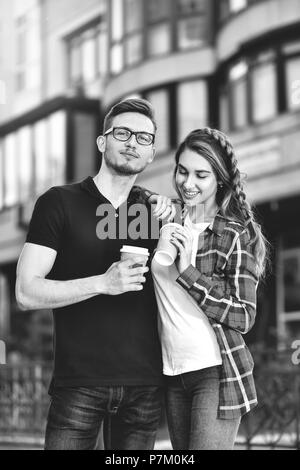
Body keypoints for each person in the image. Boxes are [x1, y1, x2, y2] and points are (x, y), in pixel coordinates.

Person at [15, 98, 174, 450]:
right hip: (78, 385)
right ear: (103, 142)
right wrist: (103, 283)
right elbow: (26, 292)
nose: (133, 142)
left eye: (144, 138)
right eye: (123, 133)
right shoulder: (59, 202)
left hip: (143, 386)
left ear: (151, 155)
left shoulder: (154, 211)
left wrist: (173, 215)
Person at [151, 127, 268, 450]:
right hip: (172, 371)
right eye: (182, 171)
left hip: (215, 372)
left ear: (219, 179)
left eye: (201, 175)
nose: (188, 183)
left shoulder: (233, 235)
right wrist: (150, 199)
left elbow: (244, 316)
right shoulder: (167, 217)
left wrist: (188, 272)